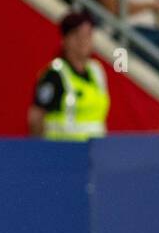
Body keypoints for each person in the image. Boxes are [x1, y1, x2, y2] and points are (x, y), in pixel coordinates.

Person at [28, 11, 110, 139]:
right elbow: (36, 117)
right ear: (65, 39)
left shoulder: (97, 70)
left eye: (88, 35)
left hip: (94, 151)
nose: (83, 41)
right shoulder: (55, 74)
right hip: (63, 151)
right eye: (77, 35)